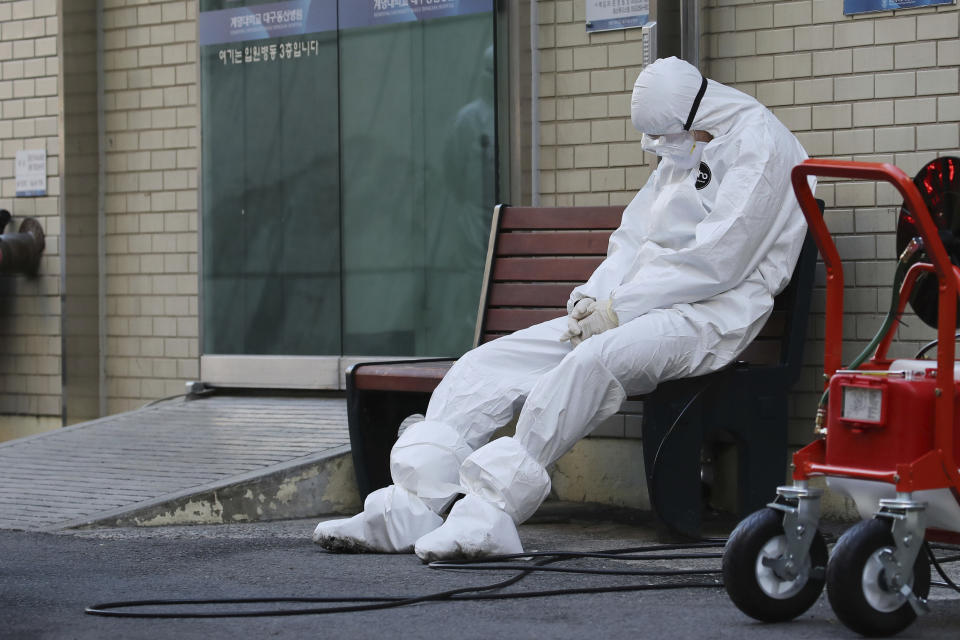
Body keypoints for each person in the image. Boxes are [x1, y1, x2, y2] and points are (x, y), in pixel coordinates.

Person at [313, 56, 813, 562]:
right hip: (638, 309)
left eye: (666, 138)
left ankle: (488, 514)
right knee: (485, 365)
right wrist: (594, 297)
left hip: (707, 319)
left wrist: (619, 308)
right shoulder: (688, 141)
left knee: (590, 364)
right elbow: (635, 237)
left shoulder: (761, 147)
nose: (661, 151)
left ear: (693, 115)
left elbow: (716, 262)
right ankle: (409, 508)